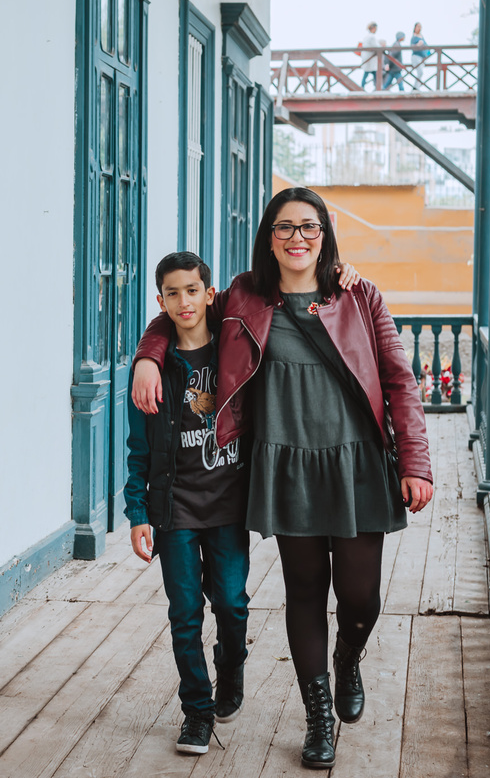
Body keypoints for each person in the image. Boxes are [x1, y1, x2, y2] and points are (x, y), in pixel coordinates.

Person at [132, 187, 433, 770]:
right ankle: (318, 716)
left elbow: (401, 380)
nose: (298, 238)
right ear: (268, 236)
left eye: (309, 227)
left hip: (356, 463)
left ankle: (347, 661)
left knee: (361, 596)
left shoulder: (359, 295)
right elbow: (183, 309)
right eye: (285, 228)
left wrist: (416, 462)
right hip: (285, 463)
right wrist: (149, 353)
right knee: (304, 593)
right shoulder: (245, 296)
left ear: (325, 234)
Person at [124, 251, 251, 756]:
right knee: (184, 613)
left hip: (228, 507)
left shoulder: (234, 353)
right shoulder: (153, 372)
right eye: (172, 293)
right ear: (161, 301)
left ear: (209, 293)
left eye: (192, 290)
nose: (184, 301)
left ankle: (232, 664)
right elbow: (139, 450)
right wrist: (137, 513)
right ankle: (197, 711)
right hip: (173, 511)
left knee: (233, 604)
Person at [358, 22, 380, 90]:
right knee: (373, 73)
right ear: (373, 28)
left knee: (368, 73)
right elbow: (376, 46)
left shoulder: (366, 36)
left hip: (367, 57)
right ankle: (377, 87)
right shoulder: (371, 37)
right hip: (370, 58)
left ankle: (363, 87)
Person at [410, 23, 431, 89]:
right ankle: (415, 87)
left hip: (422, 57)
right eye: (418, 26)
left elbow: (426, 46)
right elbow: (412, 47)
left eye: (420, 27)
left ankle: (417, 87)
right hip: (416, 56)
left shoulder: (421, 36)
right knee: (420, 72)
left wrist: (428, 54)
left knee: (421, 73)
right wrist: (417, 45)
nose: (419, 28)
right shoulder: (414, 37)